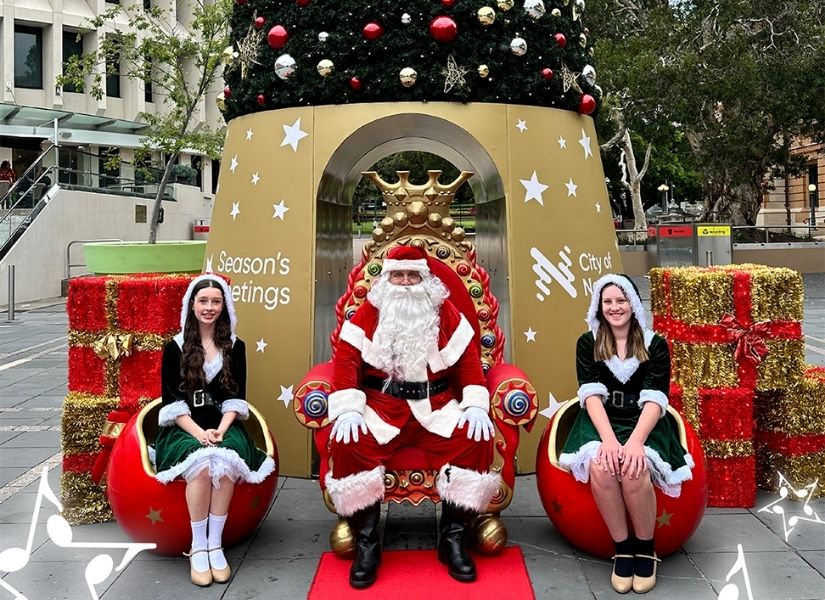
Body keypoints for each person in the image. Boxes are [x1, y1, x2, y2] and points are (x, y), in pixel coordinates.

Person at [326, 245, 500, 589]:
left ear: (425, 279)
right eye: (398, 275)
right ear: (386, 278)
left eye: (412, 275)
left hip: (436, 408)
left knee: (474, 437)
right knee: (350, 441)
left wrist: (476, 402)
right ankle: (367, 544)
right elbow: (346, 361)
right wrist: (348, 407)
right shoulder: (368, 313)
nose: (405, 283)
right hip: (381, 408)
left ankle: (452, 538)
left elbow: (466, 364)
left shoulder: (445, 312)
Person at [559, 274, 694, 594]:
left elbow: (655, 398)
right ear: (598, 306)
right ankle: (623, 548)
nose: (614, 307)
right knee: (602, 467)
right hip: (602, 420)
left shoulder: (655, 344)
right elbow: (590, 395)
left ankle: (645, 548)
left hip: (642, 421)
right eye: (608, 301)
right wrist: (607, 440)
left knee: (634, 469)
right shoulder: (587, 341)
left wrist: (634, 443)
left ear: (633, 304)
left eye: (621, 301)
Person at [154, 274, 276, 587]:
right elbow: (172, 401)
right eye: (203, 301)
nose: (209, 307)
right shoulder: (174, 347)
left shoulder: (236, 347)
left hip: (224, 425)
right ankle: (197, 547)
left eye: (216, 301)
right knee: (203, 468)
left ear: (224, 306)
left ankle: (215, 545)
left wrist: (220, 430)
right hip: (184, 428)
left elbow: (236, 396)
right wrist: (199, 434)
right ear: (192, 305)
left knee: (223, 463)